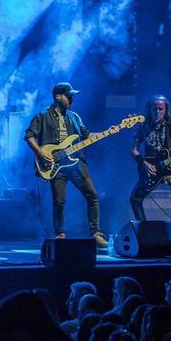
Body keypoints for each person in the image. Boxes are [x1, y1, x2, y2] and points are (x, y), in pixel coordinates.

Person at [24, 81, 108, 248]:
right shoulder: (42, 116)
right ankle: (60, 234)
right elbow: (29, 136)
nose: (72, 99)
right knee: (59, 201)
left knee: (92, 195)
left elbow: (86, 135)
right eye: (69, 96)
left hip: (76, 163)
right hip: (55, 165)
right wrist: (41, 153)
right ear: (57, 96)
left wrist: (107, 132)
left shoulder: (74, 117)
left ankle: (96, 233)